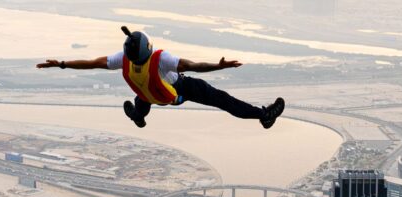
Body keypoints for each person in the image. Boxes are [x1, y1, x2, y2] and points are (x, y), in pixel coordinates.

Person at [36, 26, 285, 129]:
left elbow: (93, 63)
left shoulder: (123, 59)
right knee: (222, 99)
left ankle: (138, 116)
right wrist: (218, 67)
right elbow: (192, 66)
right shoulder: (161, 58)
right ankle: (264, 116)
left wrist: (62, 64)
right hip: (177, 91)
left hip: (150, 95)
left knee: (141, 99)